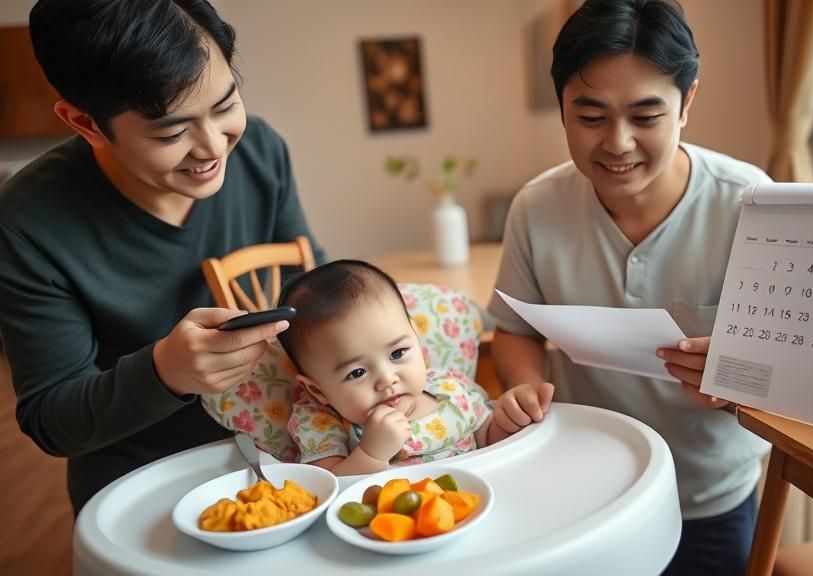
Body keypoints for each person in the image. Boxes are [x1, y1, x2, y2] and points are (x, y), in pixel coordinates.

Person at [0, 0, 326, 515]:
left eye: (225, 105)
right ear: (84, 122)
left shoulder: (261, 153)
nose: (213, 146)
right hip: (142, 487)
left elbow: (311, 289)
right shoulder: (28, 222)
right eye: (173, 132)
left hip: (287, 452)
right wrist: (164, 372)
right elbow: (51, 420)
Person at [486, 1, 771, 574]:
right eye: (591, 117)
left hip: (710, 498)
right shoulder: (537, 208)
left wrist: (737, 376)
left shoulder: (751, 205)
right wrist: (522, 390)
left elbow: (785, 370)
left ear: (687, 102)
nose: (617, 143)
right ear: (561, 106)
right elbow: (514, 332)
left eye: (645, 117)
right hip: (584, 488)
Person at [276, 259, 554, 474]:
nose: (387, 379)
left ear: (416, 339)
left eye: (397, 353)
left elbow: (485, 437)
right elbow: (326, 488)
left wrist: (508, 419)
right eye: (357, 372)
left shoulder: (450, 389)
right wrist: (372, 454)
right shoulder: (324, 424)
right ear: (318, 390)